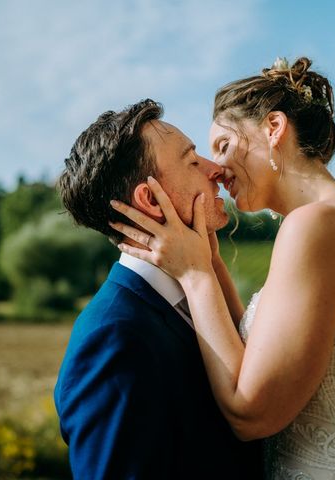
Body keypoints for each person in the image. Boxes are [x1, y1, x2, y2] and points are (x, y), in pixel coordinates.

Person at [109, 57, 335, 478]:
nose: (216, 170)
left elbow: (250, 413)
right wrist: (212, 263)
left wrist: (194, 275)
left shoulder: (315, 226)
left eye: (223, 145)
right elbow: (265, 359)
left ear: (274, 128)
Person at [53, 99, 263, 479]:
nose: (216, 170)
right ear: (150, 200)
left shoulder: (196, 292)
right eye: (192, 161)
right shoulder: (113, 338)